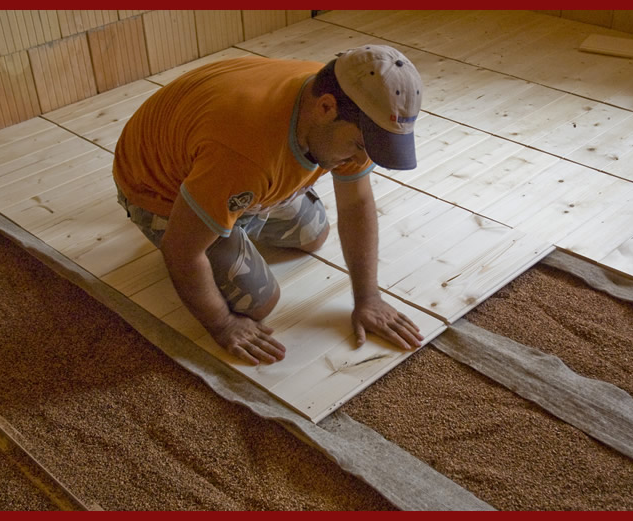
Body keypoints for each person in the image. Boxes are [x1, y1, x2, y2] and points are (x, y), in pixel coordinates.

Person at [113, 44, 425, 365]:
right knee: (258, 303)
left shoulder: (343, 95)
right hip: (155, 187)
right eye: (360, 145)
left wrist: (369, 297)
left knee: (313, 233)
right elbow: (181, 250)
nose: (362, 160)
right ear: (326, 108)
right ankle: (216, 212)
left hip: (222, 158)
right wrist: (222, 324)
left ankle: (228, 210)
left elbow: (356, 204)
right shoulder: (246, 150)